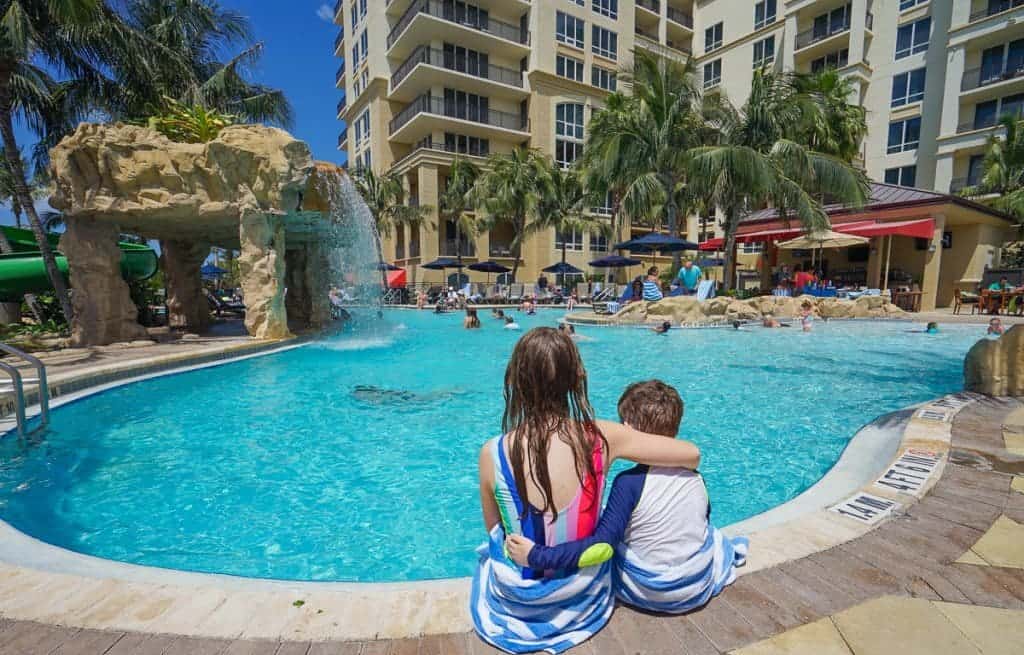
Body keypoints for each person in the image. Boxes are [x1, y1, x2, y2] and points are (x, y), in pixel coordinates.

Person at [471, 328, 702, 653]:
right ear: (576, 380)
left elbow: (495, 531)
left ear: (516, 381)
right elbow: (690, 454)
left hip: (519, 604)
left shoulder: (491, 453)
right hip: (583, 597)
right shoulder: (603, 438)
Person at [505, 381, 747, 615]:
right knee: (714, 536)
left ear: (628, 430)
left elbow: (602, 548)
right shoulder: (696, 478)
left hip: (651, 593)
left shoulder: (628, 483)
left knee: (603, 535)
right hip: (695, 586)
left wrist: (536, 556)